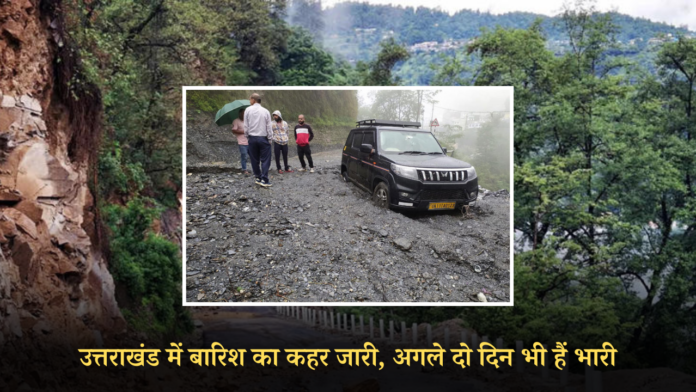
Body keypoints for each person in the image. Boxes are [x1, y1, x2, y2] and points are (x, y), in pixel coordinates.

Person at [243, 93, 273, 187]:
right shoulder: (266, 111)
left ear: (253, 99)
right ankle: (264, 180)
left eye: (250, 99)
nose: (249, 101)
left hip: (252, 138)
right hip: (263, 138)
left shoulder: (247, 110)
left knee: (254, 159)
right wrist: (270, 138)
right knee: (265, 160)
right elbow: (269, 126)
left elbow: (246, 125)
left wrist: (247, 136)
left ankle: (258, 177)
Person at [231, 108, 250, 175]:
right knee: (244, 155)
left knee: (253, 156)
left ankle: (255, 169)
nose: (244, 115)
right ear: (240, 114)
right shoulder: (236, 121)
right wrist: (243, 131)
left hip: (250, 141)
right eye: (243, 113)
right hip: (242, 142)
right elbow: (233, 130)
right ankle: (244, 169)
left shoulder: (248, 121)